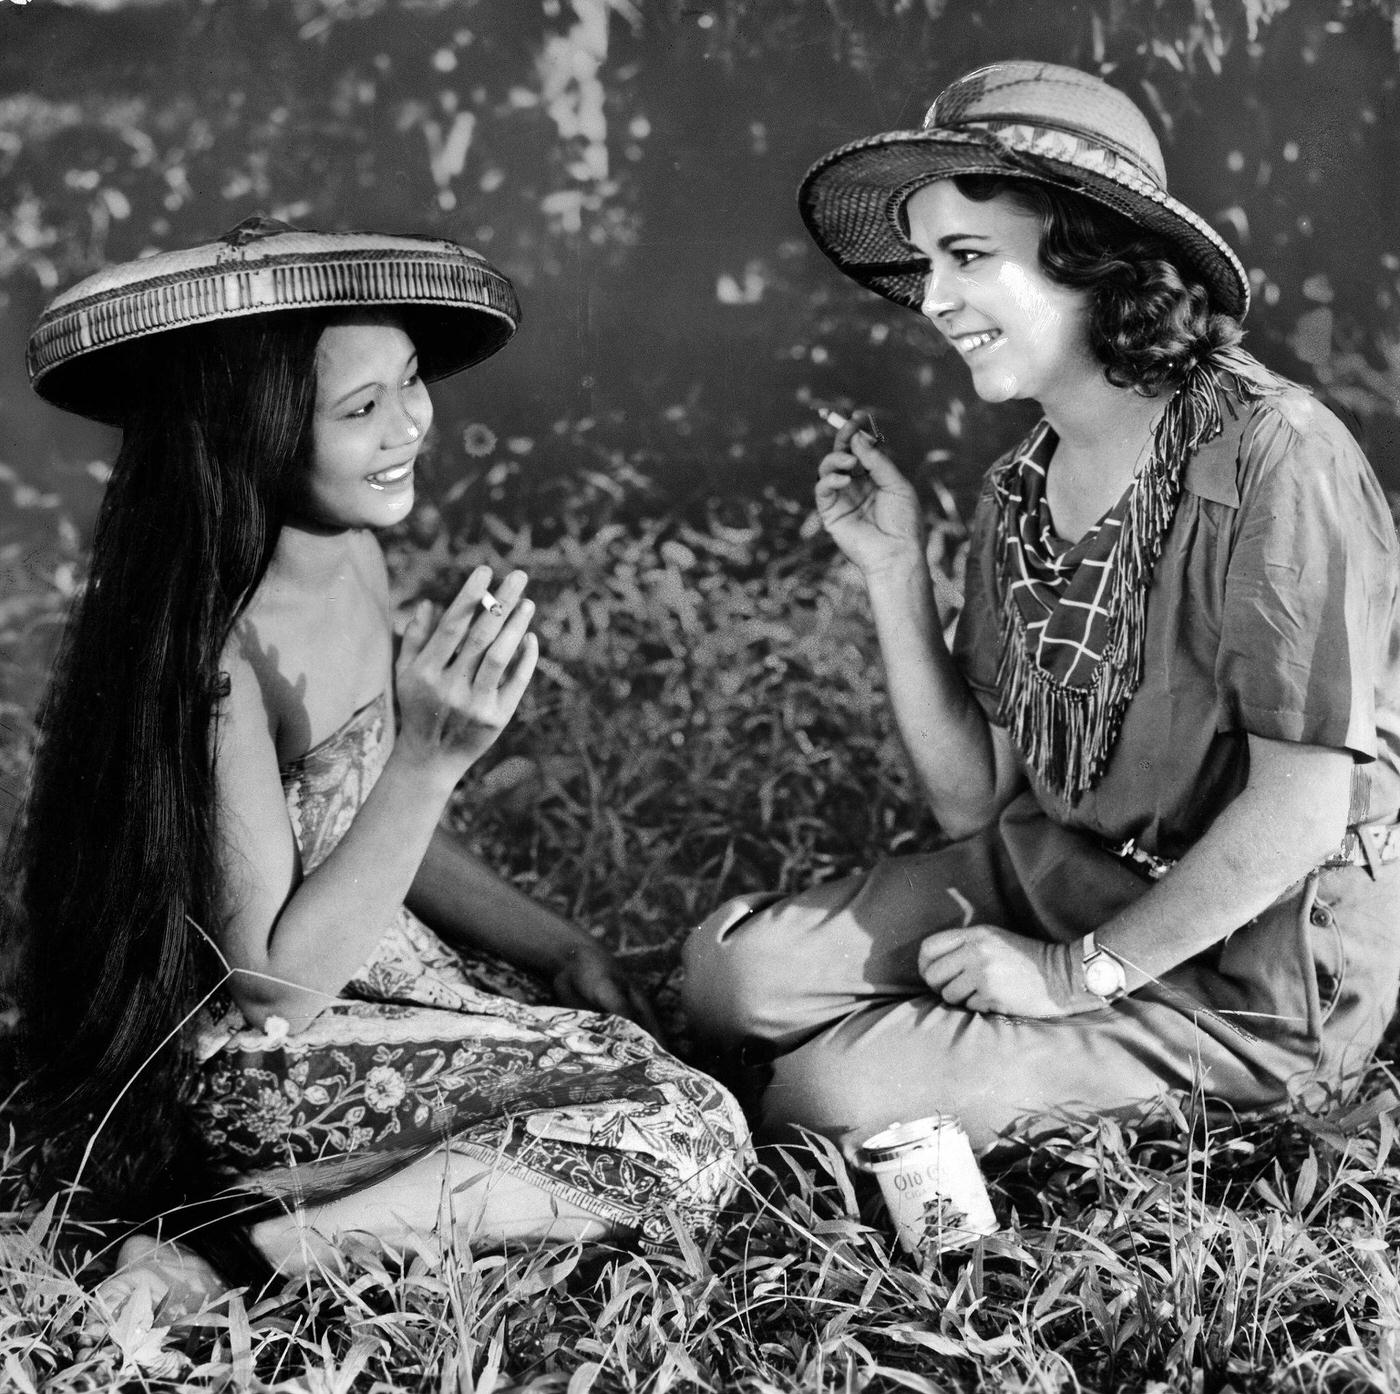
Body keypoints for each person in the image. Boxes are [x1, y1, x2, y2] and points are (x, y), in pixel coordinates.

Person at [9, 217, 748, 1307]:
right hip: (255, 1052)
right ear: (247, 434)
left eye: (409, 380)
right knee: (688, 1131)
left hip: (389, 962)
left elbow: (362, 823)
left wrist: (561, 943)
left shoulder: (352, 548)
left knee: (692, 1024)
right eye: (360, 409)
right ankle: (238, 1252)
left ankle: (342, 1199)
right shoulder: (214, 659)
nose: (409, 424)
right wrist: (432, 758)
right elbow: (271, 986)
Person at [683, 62, 1400, 1164]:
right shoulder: (1017, 488)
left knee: (822, 1101)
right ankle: (981, 1036)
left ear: (1095, 260)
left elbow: (1299, 816)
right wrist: (890, 571)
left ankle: (1080, 1054)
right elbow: (978, 798)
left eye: (966, 257)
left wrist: (1067, 976)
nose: (930, 300)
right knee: (725, 979)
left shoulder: (1273, 458)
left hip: (1249, 968)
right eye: (924, 263)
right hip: (1055, 872)